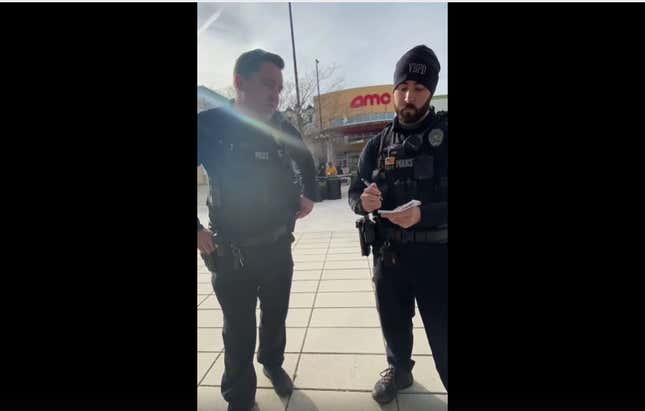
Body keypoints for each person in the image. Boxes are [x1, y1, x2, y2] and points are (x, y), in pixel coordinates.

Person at [197, 49, 317, 411]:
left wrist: (309, 194)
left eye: (279, 87)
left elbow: (306, 157)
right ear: (239, 82)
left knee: (275, 317)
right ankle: (239, 397)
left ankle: (272, 363)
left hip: (279, 247)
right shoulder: (209, 126)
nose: (275, 94)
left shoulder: (279, 125)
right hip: (232, 253)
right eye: (268, 84)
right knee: (238, 331)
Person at [348, 45, 448, 404]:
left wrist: (425, 214)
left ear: (430, 92)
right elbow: (354, 191)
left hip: (438, 255)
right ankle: (399, 370)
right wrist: (363, 201)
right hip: (389, 255)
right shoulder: (376, 145)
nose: (408, 97)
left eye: (419, 89)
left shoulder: (445, 136)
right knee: (392, 320)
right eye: (403, 87)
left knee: (443, 329)